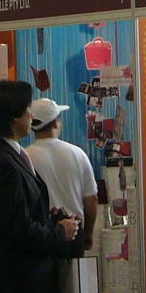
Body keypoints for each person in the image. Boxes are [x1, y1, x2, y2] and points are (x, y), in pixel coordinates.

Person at [0, 81, 80, 293]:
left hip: (25, 284)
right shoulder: (0, 162)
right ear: (13, 117)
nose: (31, 115)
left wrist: (49, 218)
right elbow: (17, 229)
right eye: (27, 109)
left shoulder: (9, 154)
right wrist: (60, 232)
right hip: (19, 289)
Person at [26, 98, 98, 244]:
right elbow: (91, 200)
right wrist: (88, 234)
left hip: (42, 236)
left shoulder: (25, 157)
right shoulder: (78, 154)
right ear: (55, 123)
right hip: (75, 232)